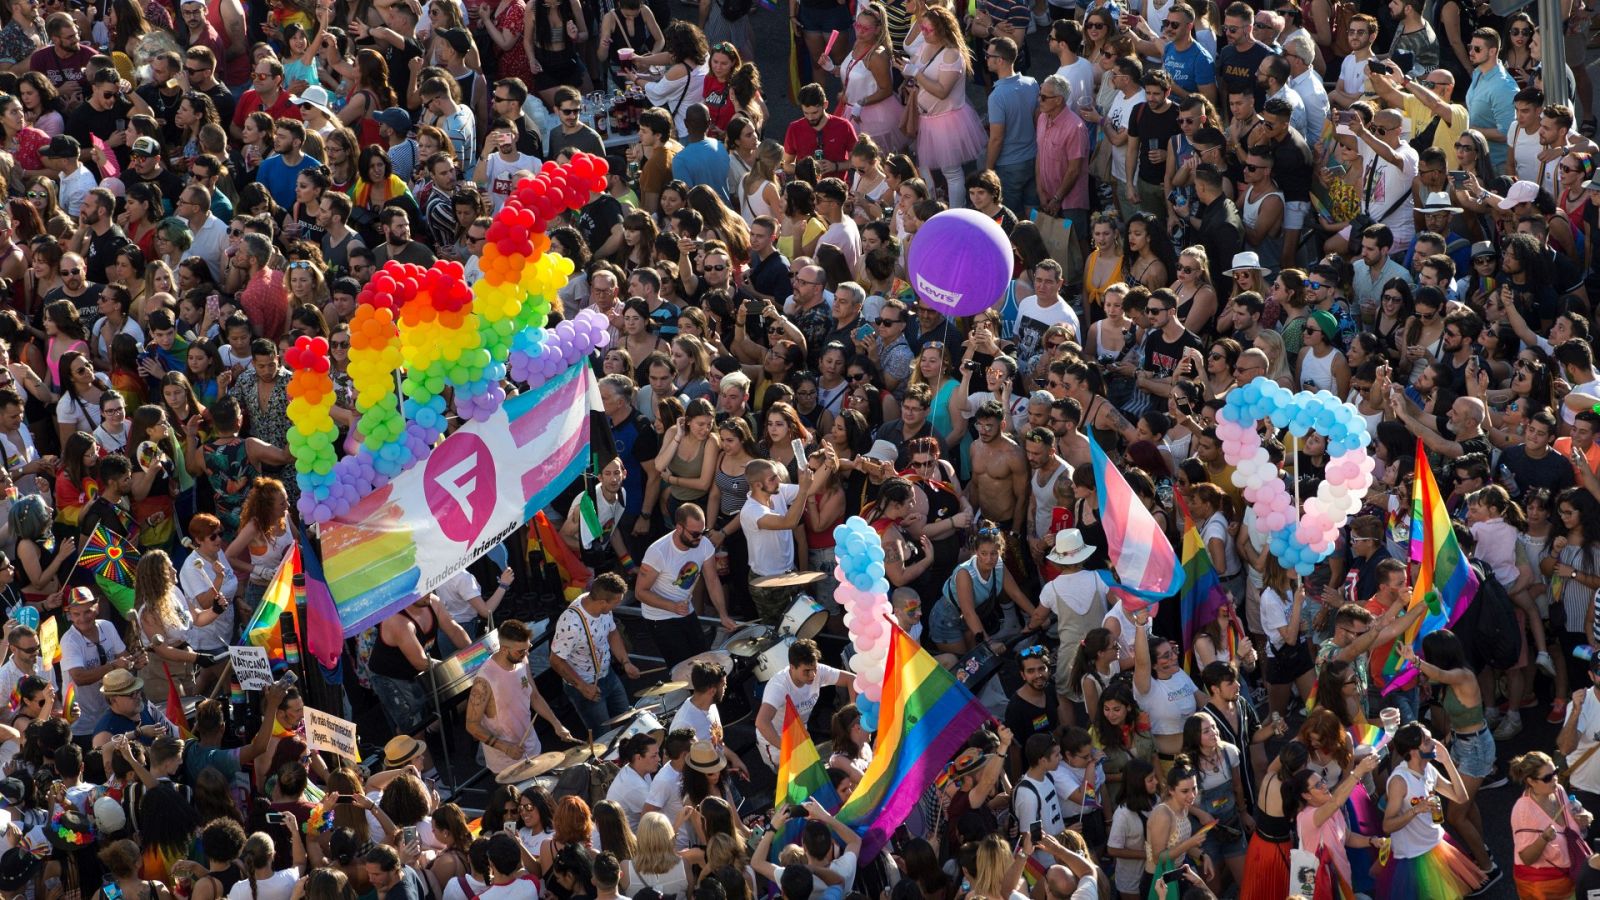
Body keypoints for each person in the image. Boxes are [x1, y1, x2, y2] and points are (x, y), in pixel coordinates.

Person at [465, 619, 576, 777]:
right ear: (504, 649)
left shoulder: (522, 660)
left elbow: (534, 696)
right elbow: (472, 725)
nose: (526, 654)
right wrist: (505, 747)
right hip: (505, 762)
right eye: (520, 651)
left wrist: (557, 724)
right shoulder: (484, 680)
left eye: (528, 648)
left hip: (531, 747)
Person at [637, 502, 734, 670]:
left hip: (685, 611)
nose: (700, 537)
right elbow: (640, 592)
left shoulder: (703, 544)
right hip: (659, 618)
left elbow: (712, 581)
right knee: (683, 671)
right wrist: (671, 606)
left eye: (703, 532)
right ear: (679, 528)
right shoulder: (658, 551)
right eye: (695, 533)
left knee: (704, 665)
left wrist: (723, 615)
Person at [549, 572, 642, 734]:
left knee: (628, 722)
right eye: (616, 603)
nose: (617, 606)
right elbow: (556, 660)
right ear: (602, 602)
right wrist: (582, 686)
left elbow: (612, 633)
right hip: (587, 686)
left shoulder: (603, 608)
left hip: (609, 676)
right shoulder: (571, 624)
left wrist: (625, 662)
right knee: (604, 737)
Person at [755, 637, 854, 770]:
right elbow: (762, 723)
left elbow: (851, 680)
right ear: (792, 667)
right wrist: (789, 750)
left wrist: (852, 714)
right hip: (776, 741)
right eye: (806, 671)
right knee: (793, 783)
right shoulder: (778, 687)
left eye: (814, 669)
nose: (812, 675)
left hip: (800, 733)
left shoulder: (818, 672)